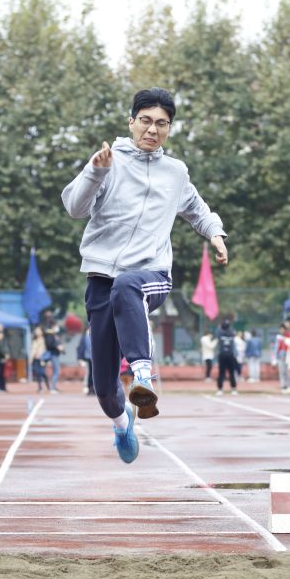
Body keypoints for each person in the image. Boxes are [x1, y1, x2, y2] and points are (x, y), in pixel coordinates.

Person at [61, 87, 228, 464]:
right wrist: (96, 172)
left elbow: (198, 209)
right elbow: (74, 207)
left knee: (128, 285)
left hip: (151, 274)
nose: (153, 130)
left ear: (169, 128)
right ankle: (122, 423)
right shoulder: (108, 162)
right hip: (102, 279)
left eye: (162, 124)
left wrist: (216, 234)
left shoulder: (175, 172)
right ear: (131, 122)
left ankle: (142, 376)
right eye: (146, 121)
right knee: (104, 388)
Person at [215, 320, 239, 395]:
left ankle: (220, 389)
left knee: (221, 373)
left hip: (222, 355)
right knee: (231, 372)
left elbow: (218, 331)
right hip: (230, 355)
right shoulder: (231, 333)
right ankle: (233, 389)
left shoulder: (220, 333)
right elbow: (233, 331)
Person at [43, 324, 63, 394]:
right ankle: (52, 388)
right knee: (56, 371)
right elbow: (50, 345)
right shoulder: (49, 335)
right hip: (53, 354)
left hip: (55, 354)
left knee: (56, 371)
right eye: (55, 326)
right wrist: (57, 347)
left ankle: (53, 387)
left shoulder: (52, 334)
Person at [273, 323, 290, 392]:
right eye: (280, 329)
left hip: (288, 355)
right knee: (282, 371)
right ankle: (283, 385)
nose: (281, 331)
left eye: (282, 329)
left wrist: (285, 339)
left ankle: (289, 385)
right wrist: (275, 358)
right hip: (281, 356)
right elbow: (276, 348)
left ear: (285, 329)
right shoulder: (278, 337)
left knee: (288, 371)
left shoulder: (289, 336)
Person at [30, 327, 48, 392]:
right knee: (38, 373)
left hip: (42, 359)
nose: (37, 332)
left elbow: (45, 349)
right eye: (36, 331)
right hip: (35, 359)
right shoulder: (34, 340)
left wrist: (41, 355)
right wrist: (31, 358)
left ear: (41, 332)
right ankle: (40, 387)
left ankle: (48, 385)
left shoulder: (44, 340)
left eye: (38, 331)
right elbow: (33, 350)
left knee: (42, 372)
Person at [76, 325, 93, 395]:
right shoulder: (86, 336)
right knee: (90, 373)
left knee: (90, 373)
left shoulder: (85, 336)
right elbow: (80, 348)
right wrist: (80, 358)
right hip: (89, 357)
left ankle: (90, 387)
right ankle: (90, 387)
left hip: (89, 357)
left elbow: (80, 347)